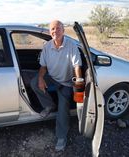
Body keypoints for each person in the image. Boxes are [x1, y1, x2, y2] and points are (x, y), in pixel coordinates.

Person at [30, 20, 83, 151]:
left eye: (58, 28)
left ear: (63, 30)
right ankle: (49, 105)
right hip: (52, 78)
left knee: (63, 108)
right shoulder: (47, 46)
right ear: (50, 32)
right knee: (34, 82)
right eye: (53, 29)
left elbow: (77, 65)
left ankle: (61, 136)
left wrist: (78, 81)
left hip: (66, 82)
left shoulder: (71, 45)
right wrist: (41, 78)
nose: (55, 31)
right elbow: (43, 66)